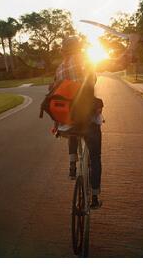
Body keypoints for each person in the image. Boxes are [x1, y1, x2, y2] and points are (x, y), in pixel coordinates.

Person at [51, 36, 103, 209]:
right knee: (95, 157)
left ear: (63, 50)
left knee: (72, 124)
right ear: (79, 48)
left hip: (66, 122)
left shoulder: (59, 68)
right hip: (87, 119)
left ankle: (72, 166)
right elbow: (92, 81)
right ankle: (94, 197)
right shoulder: (85, 62)